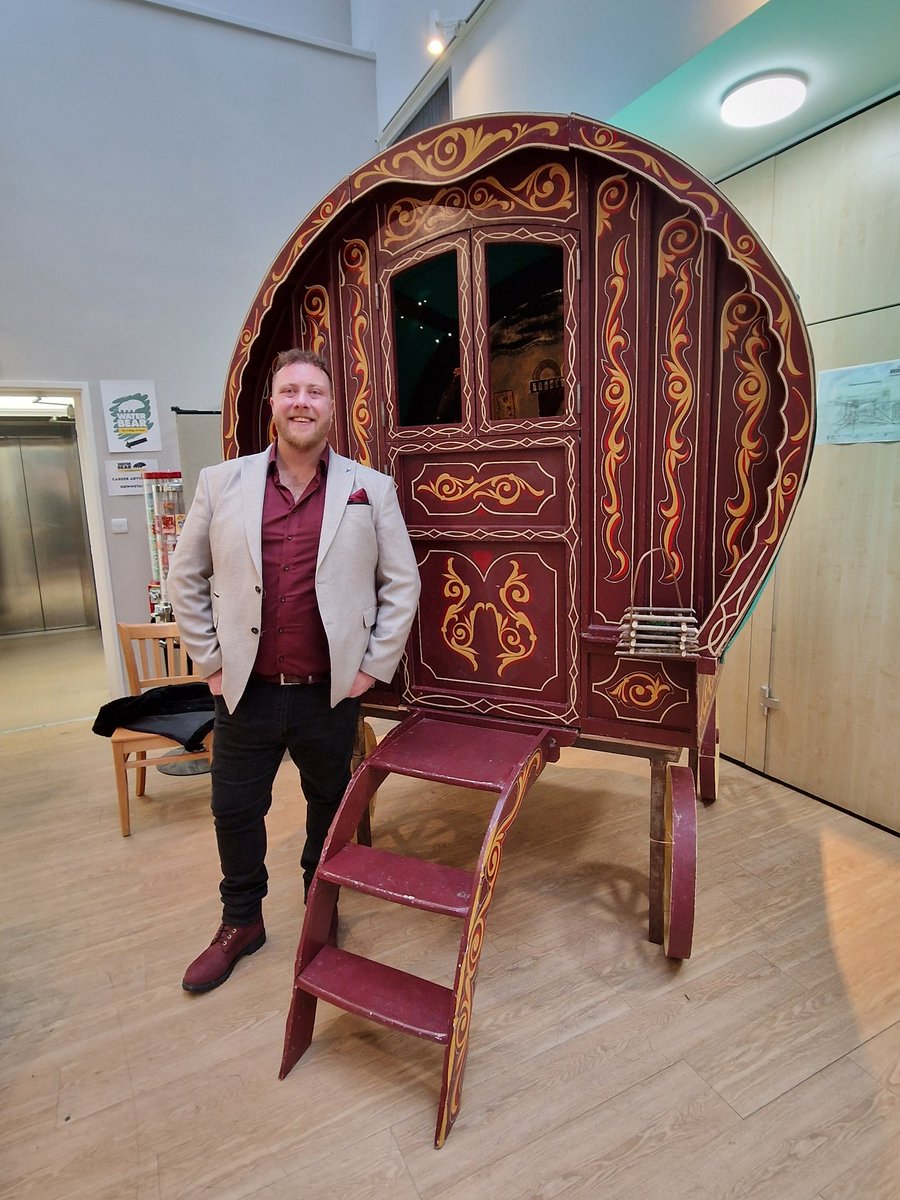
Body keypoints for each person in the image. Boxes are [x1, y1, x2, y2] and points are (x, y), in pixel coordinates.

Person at [168, 348, 420, 993]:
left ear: (333, 407)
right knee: (233, 810)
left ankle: (320, 907)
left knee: (328, 808)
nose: (301, 401)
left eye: (314, 391)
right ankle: (240, 923)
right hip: (245, 691)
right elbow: (185, 578)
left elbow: (402, 584)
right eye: (290, 391)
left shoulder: (372, 488)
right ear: (272, 405)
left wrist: (371, 668)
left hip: (328, 694)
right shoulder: (220, 483)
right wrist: (212, 662)